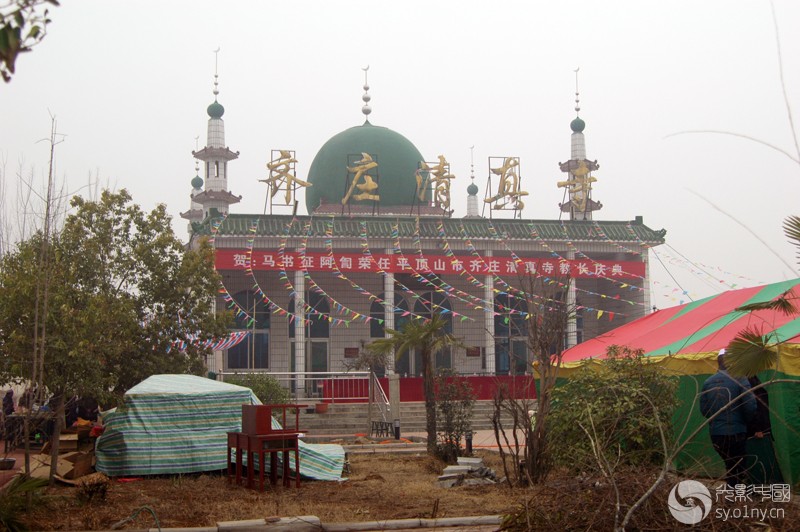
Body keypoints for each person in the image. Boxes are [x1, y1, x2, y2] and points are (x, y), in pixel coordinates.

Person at [700, 349, 756, 488]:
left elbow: (705, 410)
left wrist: (718, 419)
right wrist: (745, 422)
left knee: (730, 464)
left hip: (717, 434)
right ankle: (734, 499)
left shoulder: (708, 382)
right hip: (736, 432)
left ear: (718, 363)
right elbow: (750, 406)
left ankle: (732, 497)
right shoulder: (740, 379)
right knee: (737, 467)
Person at [746, 375, 784, 484]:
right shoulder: (753, 386)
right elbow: (756, 408)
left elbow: (757, 409)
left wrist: (758, 429)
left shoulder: (753, 386)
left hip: (759, 430)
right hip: (760, 431)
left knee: (762, 461)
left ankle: (764, 486)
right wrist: (758, 429)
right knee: (763, 460)